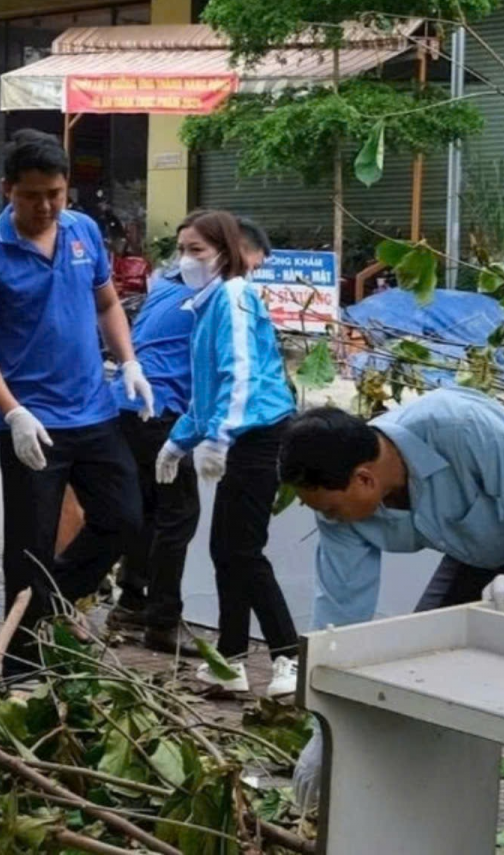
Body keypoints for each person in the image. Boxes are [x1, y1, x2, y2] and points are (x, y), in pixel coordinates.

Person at [281, 391, 504, 853]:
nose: (328, 520)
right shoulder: (341, 510)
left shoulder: (458, 427)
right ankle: (422, 834)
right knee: (410, 679)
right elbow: (340, 619)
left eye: (331, 510)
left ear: (365, 477)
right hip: (476, 552)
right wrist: (325, 729)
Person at [0, 130, 155, 654]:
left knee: (123, 519)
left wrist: (128, 362)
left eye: (56, 194)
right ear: (8, 190)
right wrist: (13, 412)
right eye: (32, 195)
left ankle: (47, 608)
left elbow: (108, 304)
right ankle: (20, 673)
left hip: (93, 410)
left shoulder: (83, 232)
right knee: (29, 550)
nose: (45, 206)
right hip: (32, 424)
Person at [153, 210, 299, 698]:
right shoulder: (205, 304)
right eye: (182, 250)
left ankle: (289, 660)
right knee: (225, 551)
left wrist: (220, 437)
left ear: (225, 251)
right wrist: (180, 440)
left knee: (244, 552)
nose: (187, 259)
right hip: (237, 436)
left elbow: (241, 375)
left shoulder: (234, 296)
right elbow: (207, 391)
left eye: (196, 250)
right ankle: (231, 660)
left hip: (257, 437)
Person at [112, 215, 272, 654]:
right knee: (177, 517)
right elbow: (235, 370)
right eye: (252, 265)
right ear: (233, 252)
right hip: (161, 410)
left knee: (149, 511)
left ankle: (130, 602)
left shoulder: (166, 283)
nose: (251, 276)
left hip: (128, 403)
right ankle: (161, 621)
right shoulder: (219, 296)